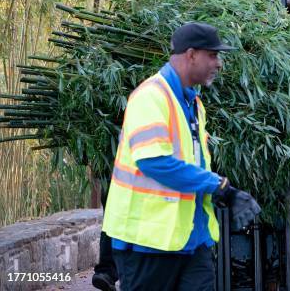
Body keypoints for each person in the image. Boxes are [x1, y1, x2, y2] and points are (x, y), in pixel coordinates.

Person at [101, 22, 261, 290]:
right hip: (147, 243)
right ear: (191, 55)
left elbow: (192, 164)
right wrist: (219, 187)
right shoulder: (150, 97)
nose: (218, 63)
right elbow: (156, 163)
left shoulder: (193, 104)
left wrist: (224, 194)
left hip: (190, 239)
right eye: (212, 55)